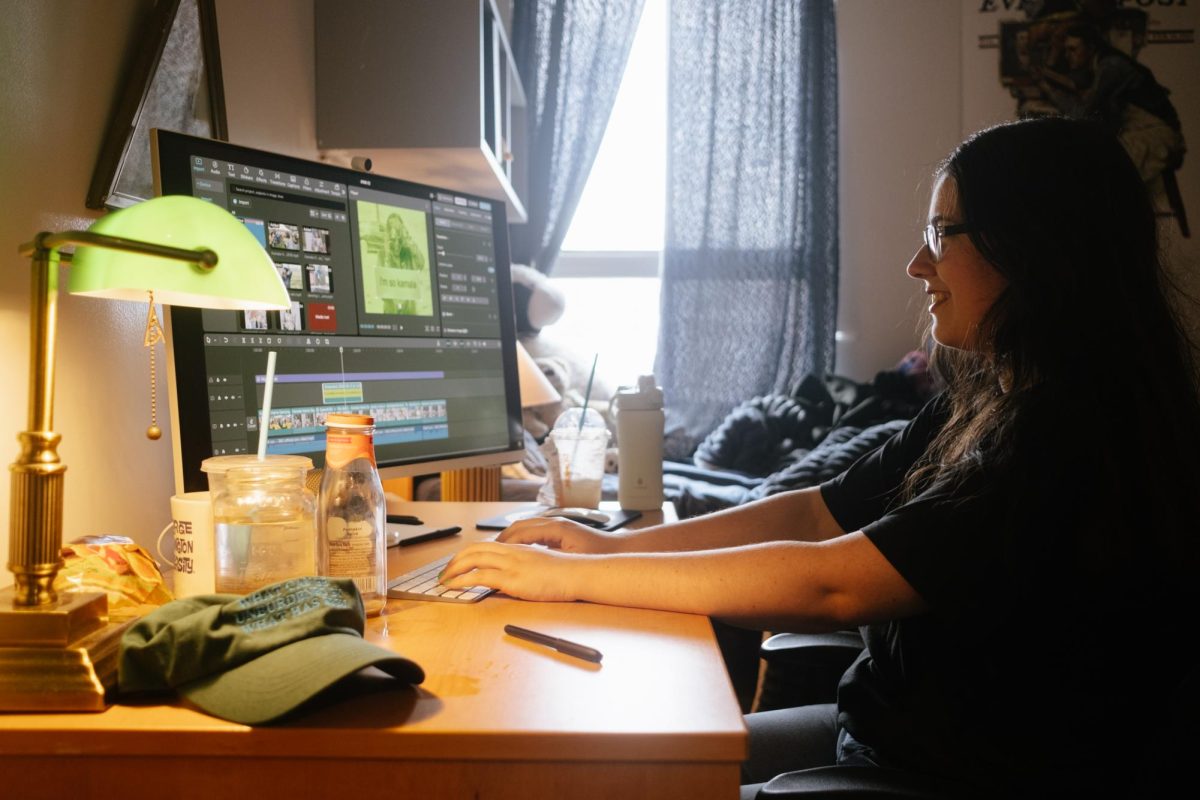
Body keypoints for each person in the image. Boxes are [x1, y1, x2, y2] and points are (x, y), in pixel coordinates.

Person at [441, 117, 1200, 797]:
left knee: (595, 783)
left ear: (1034, 249)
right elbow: (816, 510)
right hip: (884, 740)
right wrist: (613, 543)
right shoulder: (992, 396)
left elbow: (834, 585)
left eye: (941, 235)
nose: (916, 264)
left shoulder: (1063, 435)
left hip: (941, 779)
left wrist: (575, 580)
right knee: (596, 763)